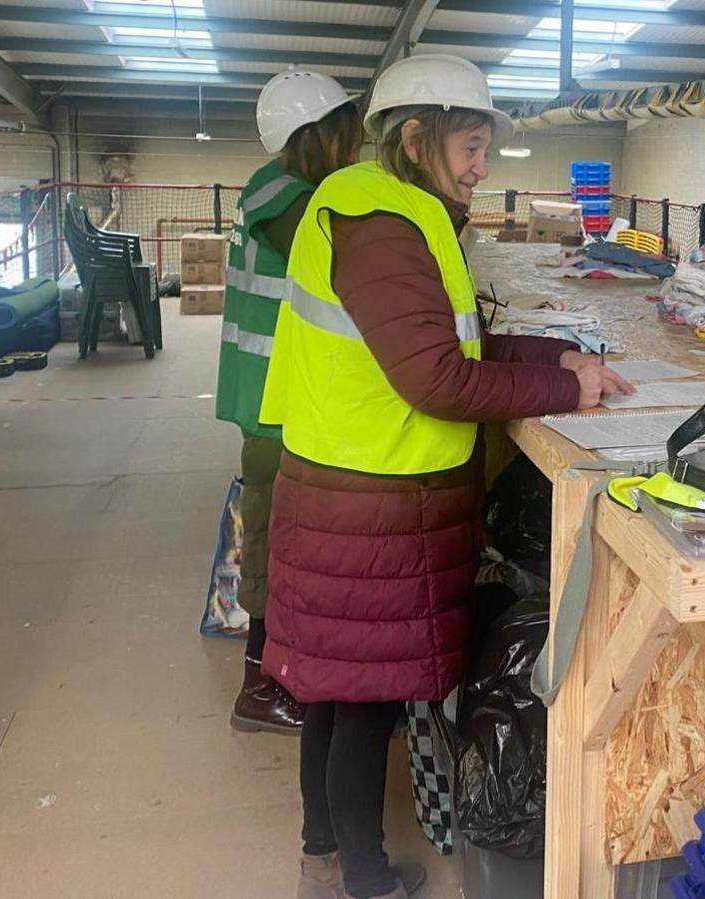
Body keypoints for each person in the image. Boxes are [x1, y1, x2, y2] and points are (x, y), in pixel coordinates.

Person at [257, 54, 631, 899]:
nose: (480, 167)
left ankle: (324, 852)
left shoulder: (388, 209)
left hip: (352, 486)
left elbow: (448, 346)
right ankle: (361, 878)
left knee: (336, 689)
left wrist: (556, 355)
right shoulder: (383, 225)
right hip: (371, 500)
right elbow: (439, 381)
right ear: (416, 137)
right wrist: (564, 390)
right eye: (470, 144)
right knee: (363, 701)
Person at [217, 68, 362, 737]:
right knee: (274, 538)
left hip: (289, 398)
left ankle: (283, 671)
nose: (356, 144)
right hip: (273, 404)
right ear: (319, 135)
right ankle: (260, 685)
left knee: (291, 539)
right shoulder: (278, 192)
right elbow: (341, 247)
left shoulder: (297, 189)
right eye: (347, 131)